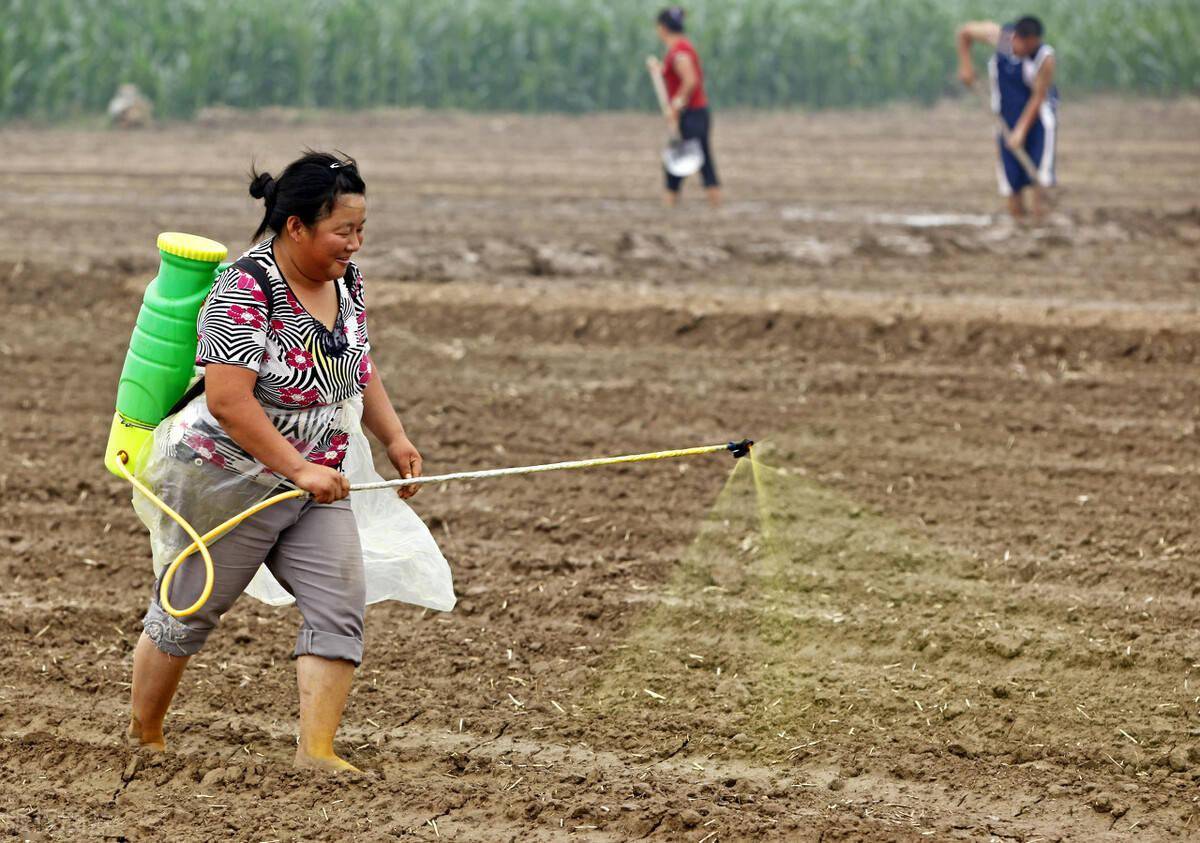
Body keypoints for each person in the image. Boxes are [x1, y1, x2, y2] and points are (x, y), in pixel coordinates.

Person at [128, 151, 442, 772]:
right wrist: (297, 469)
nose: (354, 245)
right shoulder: (244, 287)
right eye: (342, 231)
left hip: (316, 482)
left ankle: (316, 753)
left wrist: (394, 438)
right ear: (295, 226)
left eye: (360, 231)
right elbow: (227, 400)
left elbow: (358, 365)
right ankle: (145, 736)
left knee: (339, 606)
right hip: (227, 478)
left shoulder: (344, 281)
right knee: (189, 607)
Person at [956, 15, 1058, 219]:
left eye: (1032, 47)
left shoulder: (1044, 57)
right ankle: (1017, 222)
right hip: (1004, 117)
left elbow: (1038, 98)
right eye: (1025, 46)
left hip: (1038, 120)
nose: (1027, 51)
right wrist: (966, 65)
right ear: (1016, 38)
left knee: (1040, 176)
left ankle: (1040, 222)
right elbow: (964, 32)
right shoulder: (1003, 40)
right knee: (1011, 178)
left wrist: (1020, 131)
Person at [656, 6, 720, 208]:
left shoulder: (679, 51)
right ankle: (670, 207)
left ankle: (714, 207)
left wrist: (676, 104)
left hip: (692, 115)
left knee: (701, 162)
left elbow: (690, 80)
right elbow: (678, 77)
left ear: (662, 28)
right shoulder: (680, 49)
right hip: (692, 114)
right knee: (676, 163)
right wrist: (660, 69)